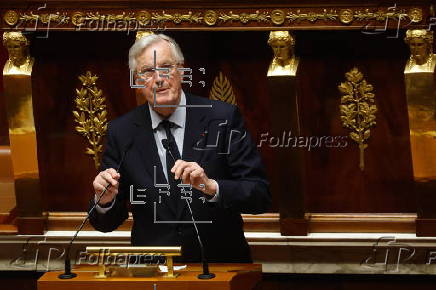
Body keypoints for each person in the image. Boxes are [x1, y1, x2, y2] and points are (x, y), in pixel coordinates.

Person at [89, 33, 271, 263]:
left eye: (166, 67)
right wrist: (104, 200)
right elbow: (105, 223)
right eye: (148, 71)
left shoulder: (222, 118)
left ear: (182, 71)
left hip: (218, 267)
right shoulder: (122, 131)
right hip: (154, 272)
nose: (159, 79)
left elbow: (259, 195)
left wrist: (211, 186)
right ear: (137, 81)